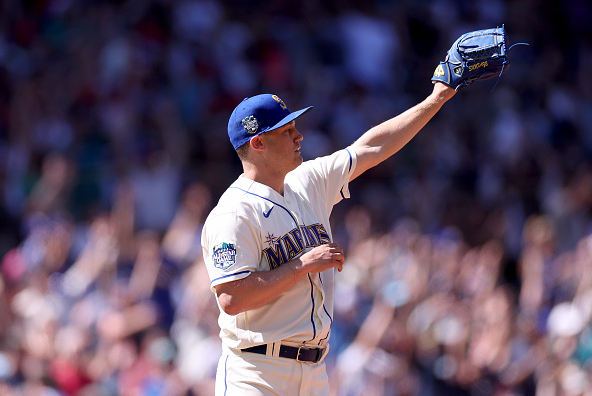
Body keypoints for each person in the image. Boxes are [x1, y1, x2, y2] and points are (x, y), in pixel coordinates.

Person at [201, 83, 456, 395]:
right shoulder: (234, 213)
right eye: (287, 131)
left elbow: (372, 147)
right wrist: (300, 266)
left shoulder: (307, 180)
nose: (299, 137)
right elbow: (231, 299)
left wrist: (436, 98)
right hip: (256, 373)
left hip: (314, 371)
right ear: (258, 143)